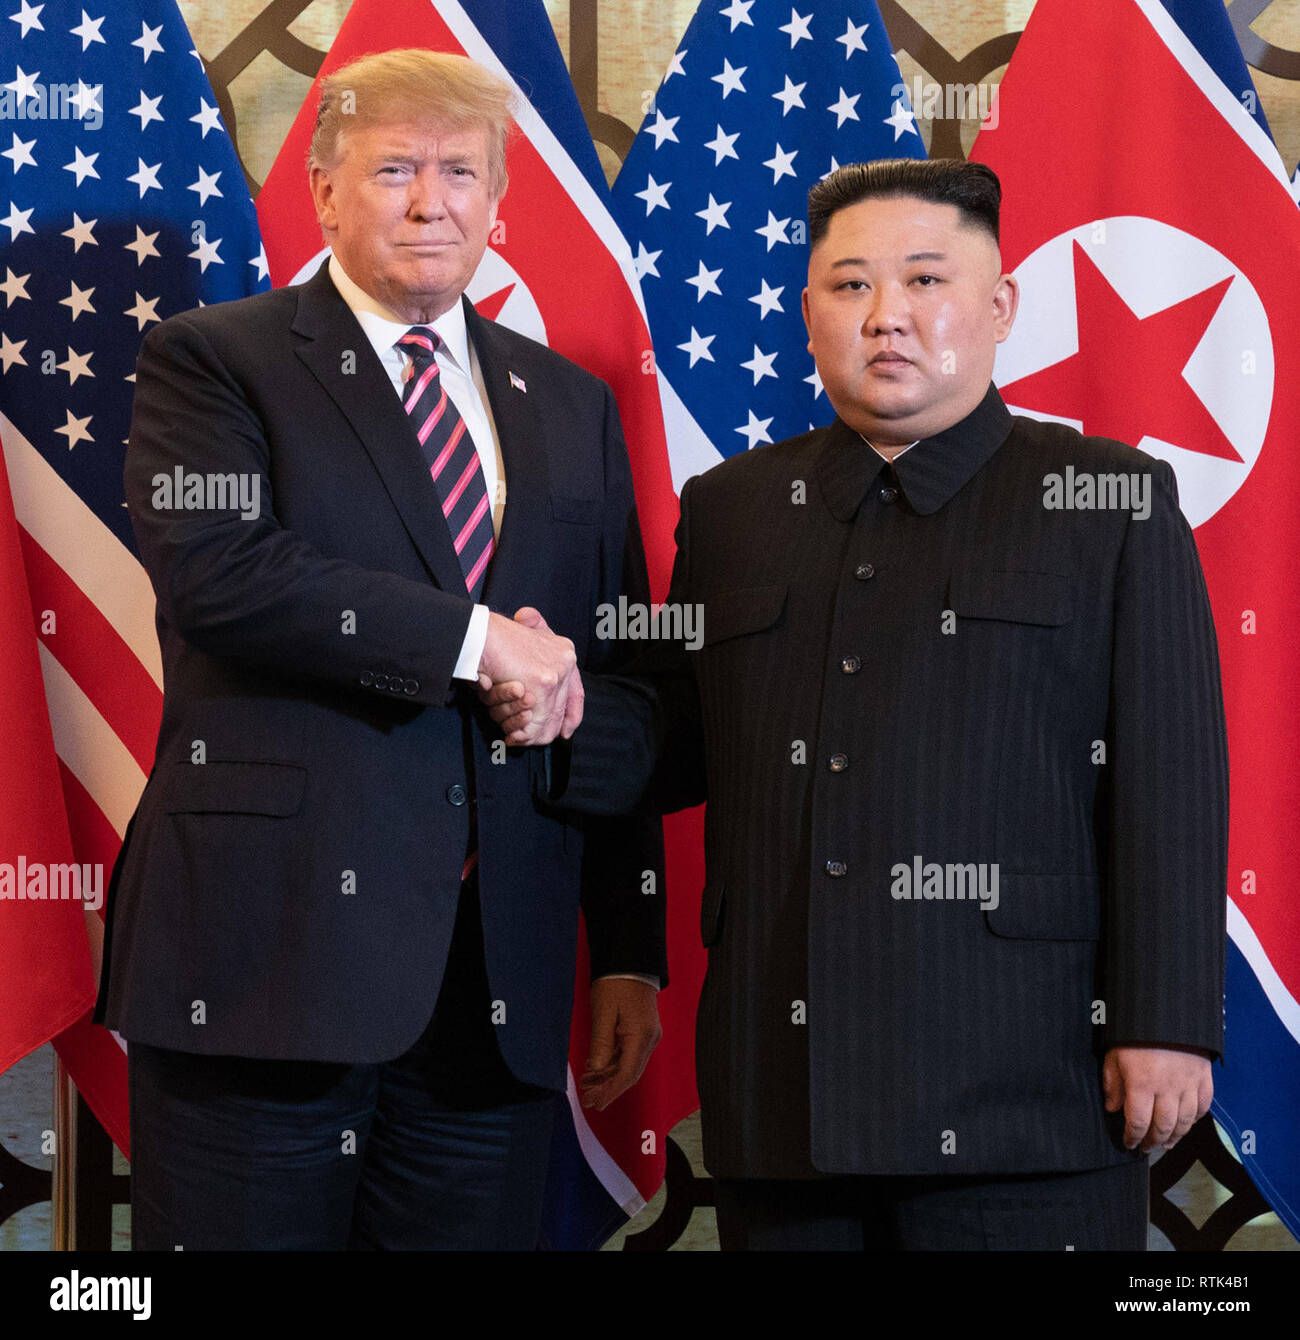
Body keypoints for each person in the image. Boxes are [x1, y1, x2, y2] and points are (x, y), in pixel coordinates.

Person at [487, 158, 1228, 1251]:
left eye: (925, 280)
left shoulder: (1108, 498)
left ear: (999, 305)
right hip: (784, 1088)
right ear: (807, 313)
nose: (887, 317)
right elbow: (675, 741)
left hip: (1025, 1086)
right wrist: (547, 705)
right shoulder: (735, 505)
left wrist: (1165, 1020)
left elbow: (1171, 775)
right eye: (849, 286)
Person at [94, 49, 665, 1251]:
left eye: (459, 171)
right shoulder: (216, 358)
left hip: (493, 997)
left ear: (500, 203)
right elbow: (223, 577)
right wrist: (480, 644)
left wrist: (628, 949)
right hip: (266, 968)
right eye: (394, 168)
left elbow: (607, 679)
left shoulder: (572, 403)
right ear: (323, 191)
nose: (429, 200)